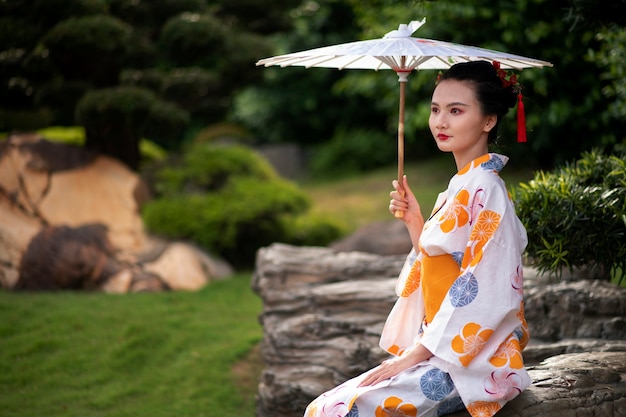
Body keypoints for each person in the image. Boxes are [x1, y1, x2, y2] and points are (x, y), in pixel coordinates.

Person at [304, 60, 531, 417]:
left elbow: (484, 287)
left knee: (336, 411)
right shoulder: (461, 187)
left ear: (488, 121)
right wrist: (416, 223)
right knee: (323, 407)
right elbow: (440, 264)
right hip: (439, 349)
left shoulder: (487, 189)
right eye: (436, 109)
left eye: (456, 110)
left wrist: (415, 354)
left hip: (472, 363)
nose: (440, 121)